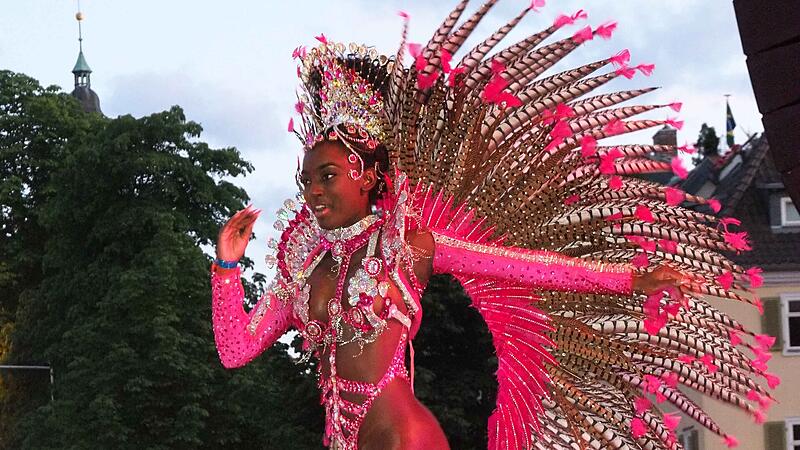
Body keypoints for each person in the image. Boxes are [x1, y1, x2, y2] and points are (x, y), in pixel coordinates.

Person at [211, 2, 774, 449]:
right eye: (305, 178)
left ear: (367, 175)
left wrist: (629, 280)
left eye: (327, 175)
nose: (312, 190)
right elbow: (236, 349)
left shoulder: (408, 244)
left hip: (400, 437)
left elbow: (524, 267)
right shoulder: (304, 266)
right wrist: (228, 266)